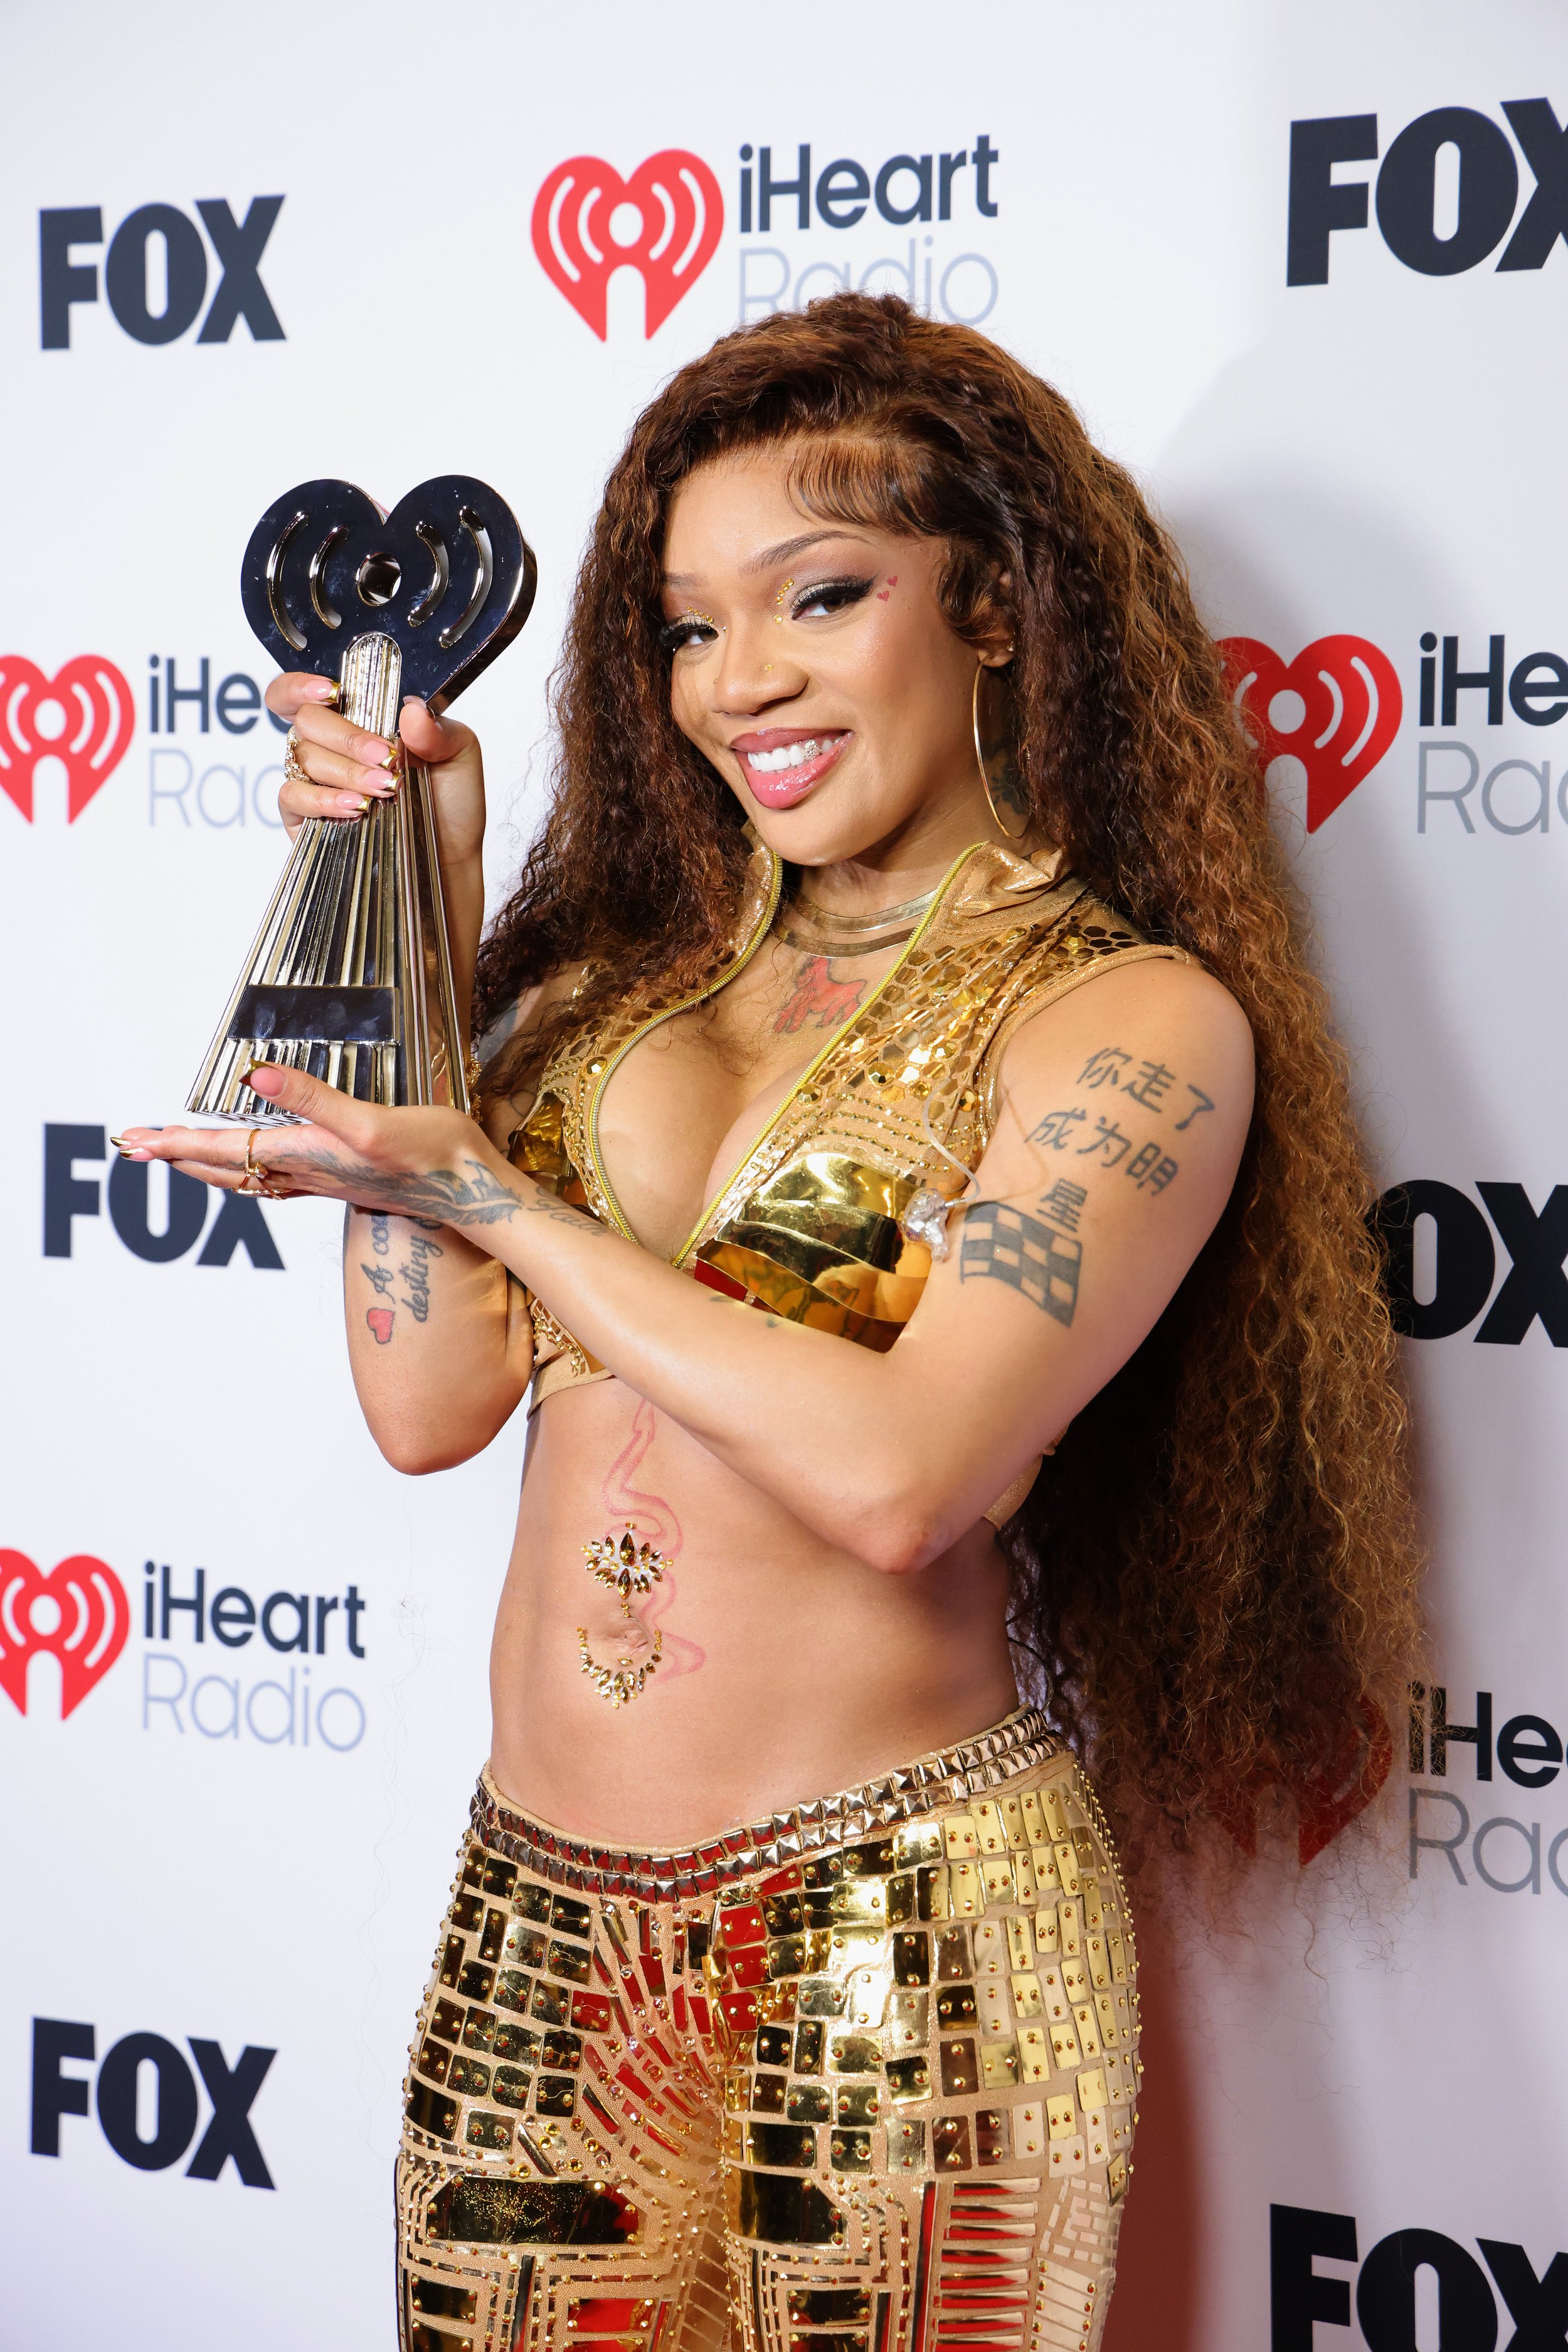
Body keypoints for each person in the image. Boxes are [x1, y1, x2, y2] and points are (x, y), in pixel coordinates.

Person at [120, 292, 1418, 2351]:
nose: (743, 683)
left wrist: (492, 1198)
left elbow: (904, 1481)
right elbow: (429, 1401)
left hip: (901, 1941)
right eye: (688, 627)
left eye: (817, 598)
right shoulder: (617, 991)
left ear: (989, 606)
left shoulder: (1113, 1019)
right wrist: (413, 911)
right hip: (534, 1932)